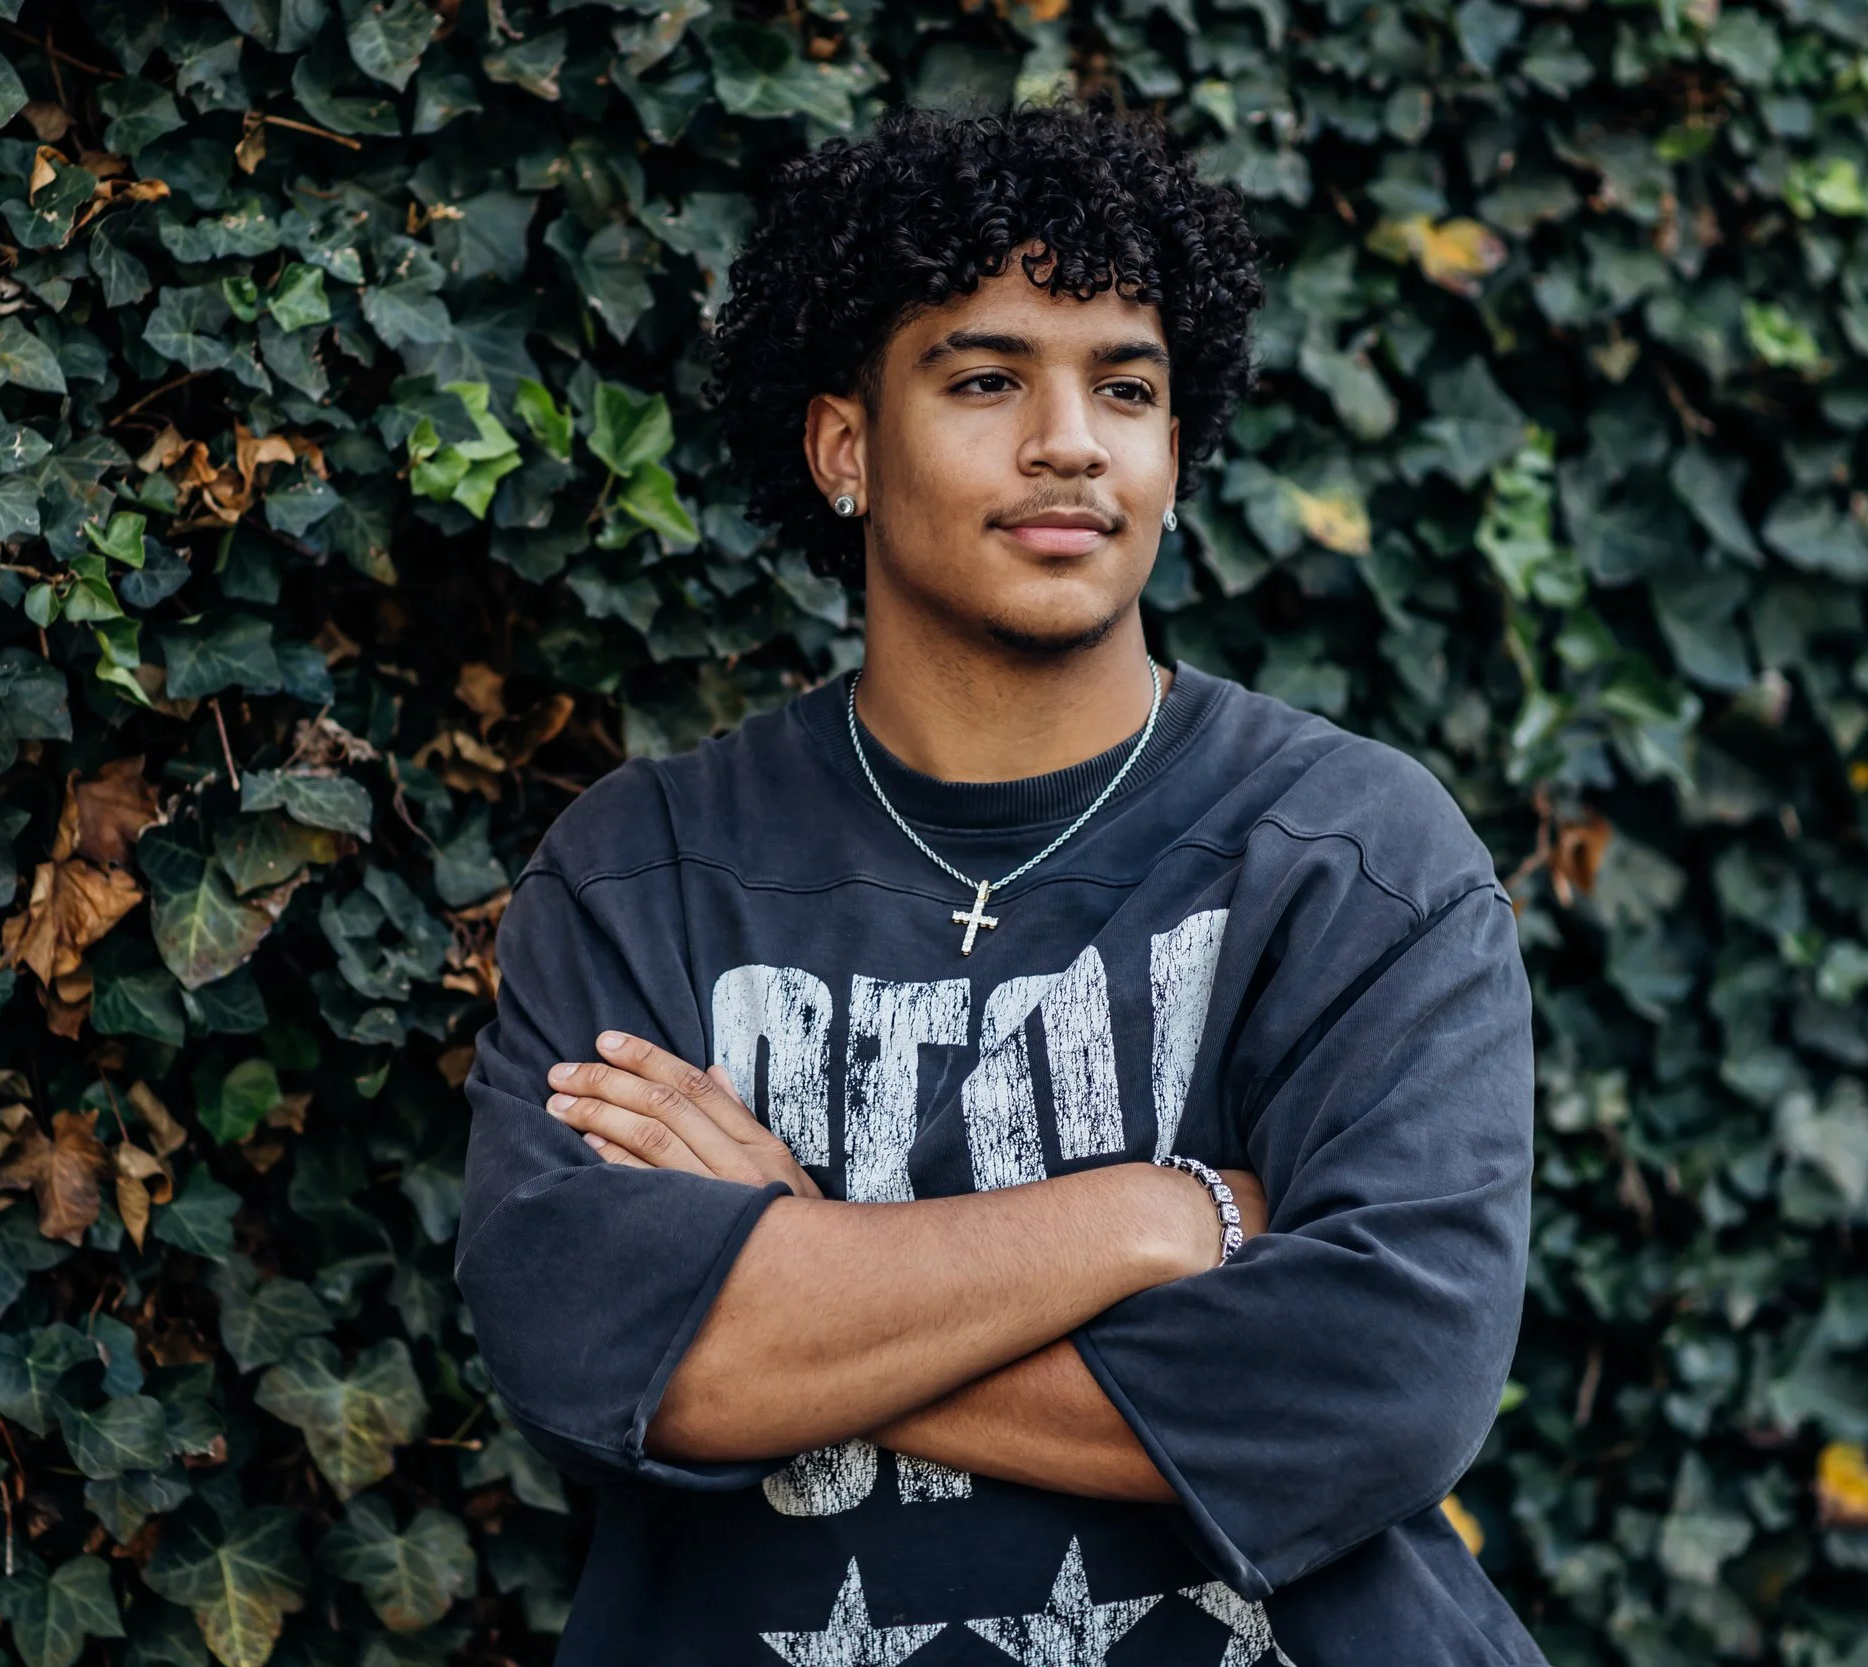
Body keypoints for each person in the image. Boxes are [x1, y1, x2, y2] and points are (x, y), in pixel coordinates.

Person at [453, 100, 1543, 1666]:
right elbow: (588, 1346)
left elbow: (1379, 1388)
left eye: (1126, 386)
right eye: (984, 378)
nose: (1071, 441)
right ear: (846, 445)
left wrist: (790, 1267)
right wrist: (1147, 1218)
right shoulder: (648, 870)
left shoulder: (1347, 852)